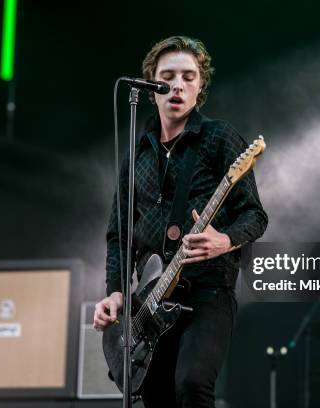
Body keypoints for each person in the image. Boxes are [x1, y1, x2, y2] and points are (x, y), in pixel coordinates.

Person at [93, 35, 268, 408]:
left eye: (189, 76)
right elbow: (119, 235)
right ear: (151, 84)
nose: (177, 85)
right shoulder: (136, 155)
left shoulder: (219, 138)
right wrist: (115, 291)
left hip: (207, 291)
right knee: (156, 397)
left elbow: (255, 214)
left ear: (200, 84)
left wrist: (225, 240)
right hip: (151, 303)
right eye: (168, 76)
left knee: (191, 384)